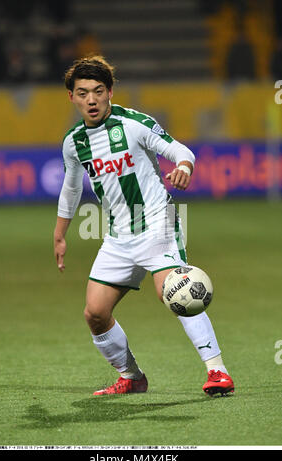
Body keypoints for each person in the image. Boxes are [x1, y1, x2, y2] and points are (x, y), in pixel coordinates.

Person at [53, 55, 234, 397]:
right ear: (72, 97)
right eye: (82, 93)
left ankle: (218, 372)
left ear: (109, 92)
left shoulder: (135, 124)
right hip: (118, 236)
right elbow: (72, 187)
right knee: (95, 312)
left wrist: (184, 166)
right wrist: (60, 233)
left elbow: (181, 150)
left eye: (97, 91)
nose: (90, 100)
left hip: (156, 223)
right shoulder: (74, 142)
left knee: (175, 290)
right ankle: (131, 376)